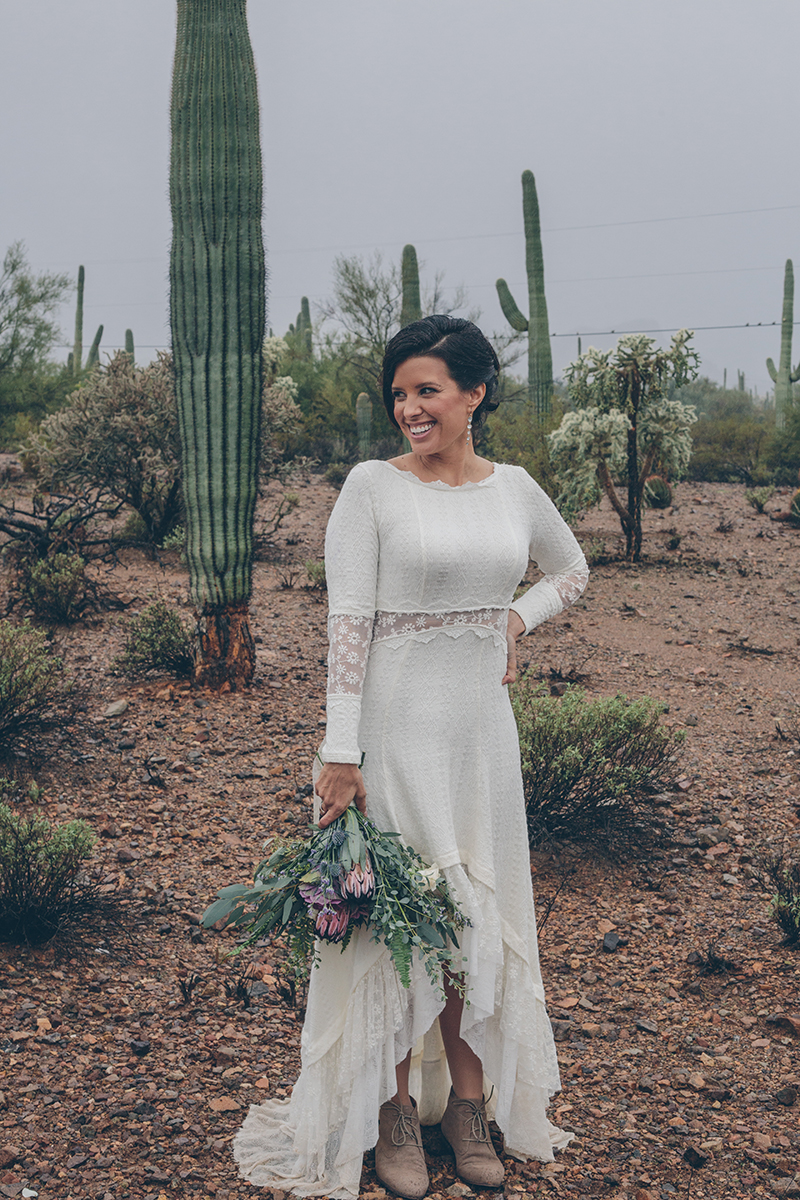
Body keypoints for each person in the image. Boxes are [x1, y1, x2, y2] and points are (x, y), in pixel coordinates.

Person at [234, 315, 589, 1199]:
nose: (410, 409)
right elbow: (347, 624)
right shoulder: (370, 488)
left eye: (427, 391)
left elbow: (572, 570)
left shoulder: (513, 488)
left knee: (472, 913)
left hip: (479, 732)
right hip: (391, 731)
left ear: (474, 395)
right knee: (396, 919)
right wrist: (339, 750)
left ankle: (470, 1106)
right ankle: (392, 1111)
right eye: (399, 394)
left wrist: (516, 617)